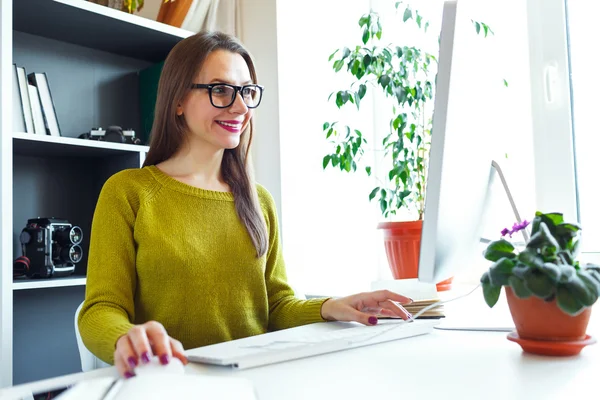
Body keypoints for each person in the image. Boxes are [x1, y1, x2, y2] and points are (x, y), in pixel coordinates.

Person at [78, 31, 413, 379]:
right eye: (220, 90)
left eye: (247, 92)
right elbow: (100, 310)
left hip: (256, 381)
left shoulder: (258, 200)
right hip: (172, 383)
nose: (240, 107)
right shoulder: (128, 192)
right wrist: (125, 337)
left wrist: (331, 306)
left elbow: (277, 307)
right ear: (177, 100)